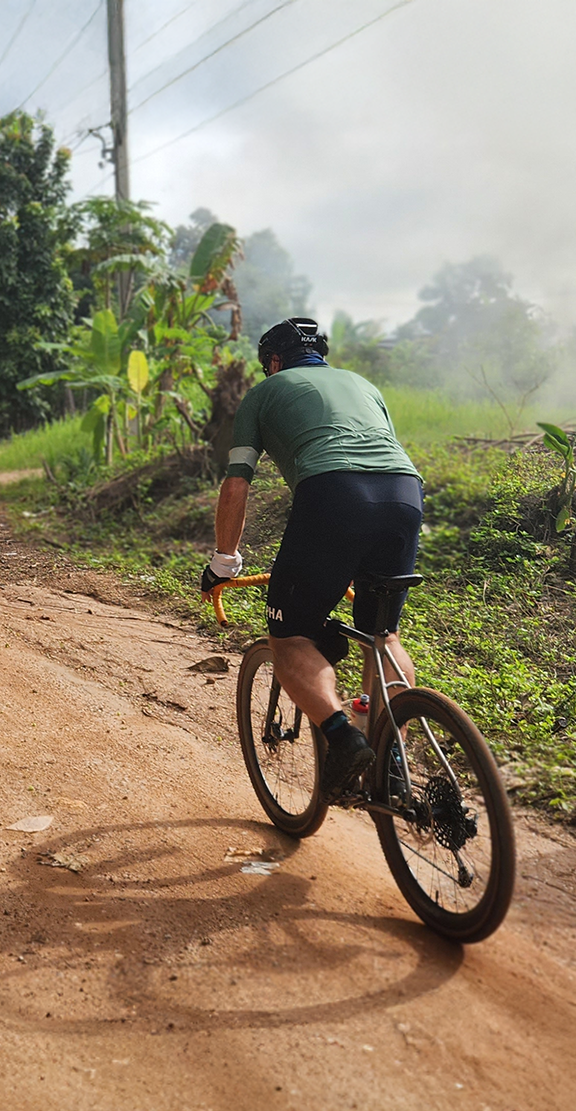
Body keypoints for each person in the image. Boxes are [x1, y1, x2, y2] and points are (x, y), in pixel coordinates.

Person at [202, 317, 423, 799]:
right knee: (381, 635)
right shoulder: (362, 383)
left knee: (290, 637)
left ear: (274, 362)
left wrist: (224, 562)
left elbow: (238, 482)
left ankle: (345, 740)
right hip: (405, 491)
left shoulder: (265, 393)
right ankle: (393, 765)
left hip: (333, 492)